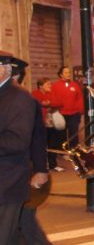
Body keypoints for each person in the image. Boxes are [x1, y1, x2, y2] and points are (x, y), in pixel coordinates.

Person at [9, 56, 51, 245]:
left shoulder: (25, 101)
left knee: (25, 222)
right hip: (11, 175)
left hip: (24, 172)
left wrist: (41, 170)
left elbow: (37, 138)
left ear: (15, 76)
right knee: (17, 226)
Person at [0, 51, 37, 244]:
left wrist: (41, 169)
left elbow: (18, 141)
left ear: (3, 70)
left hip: (7, 182)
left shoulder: (19, 98)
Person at [49, 66, 84, 152]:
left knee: (74, 133)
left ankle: (74, 150)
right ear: (61, 74)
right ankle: (63, 151)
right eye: (66, 72)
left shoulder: (75, 85)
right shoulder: (55, 86)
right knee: (62, 134)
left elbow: (79, 98)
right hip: (62, 113)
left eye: (69, 72)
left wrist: (81, 110)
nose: (68, 74)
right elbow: (53, 99)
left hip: (74, 114)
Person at [31, 78, 62, 172]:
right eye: (48, 84)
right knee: (41, 144)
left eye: (50, 84)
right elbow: (37, 104)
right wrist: (44, 104)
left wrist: (49, 103)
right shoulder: (35, 94)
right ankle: (42, 166)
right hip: (40, 123)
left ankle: (53, 164)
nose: (50, 86)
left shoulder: (52, 93)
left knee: (53, 143)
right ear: (41, 86)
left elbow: (60, 102)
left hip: (51, 122)